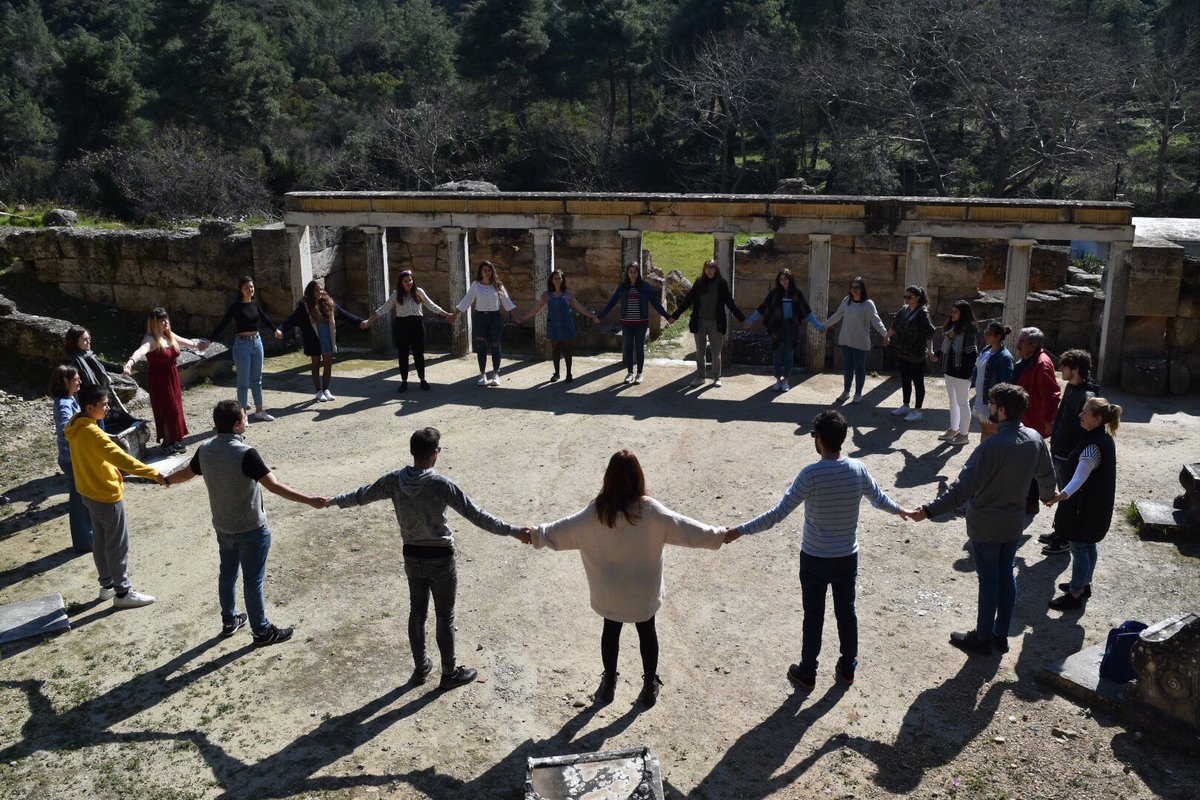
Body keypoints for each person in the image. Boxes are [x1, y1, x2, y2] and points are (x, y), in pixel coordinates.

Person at [522, 449, 725, 707]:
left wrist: (535, 535)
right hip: (643, 593)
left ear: (608, 479)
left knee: (610, 631)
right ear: (638, 477)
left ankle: (609, 683)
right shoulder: (651, 511)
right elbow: (686, 528)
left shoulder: (596, 511)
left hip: (609, 593)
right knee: (647, 632)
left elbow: (562, 528)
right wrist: (719, 535)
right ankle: (649, 685)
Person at [330, 427, 525, 690]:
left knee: (417, 613)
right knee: (445, 616)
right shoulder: (440, 484)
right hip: (440, 557)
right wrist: (513, 531)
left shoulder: (394, 480)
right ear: (435, 454)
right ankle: (449, 672)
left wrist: (332, 501)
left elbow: (362, 494)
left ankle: (421, 667)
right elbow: (477, 515)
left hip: (412, 554)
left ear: (412, 452)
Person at [724, 410, 905, 690]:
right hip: (847, 557)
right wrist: (904, 511)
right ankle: (848, 667)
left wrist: (739, 530)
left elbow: (777, 514)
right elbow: (880, 501)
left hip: (815, 559)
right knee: (847, 611)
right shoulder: (859, 470)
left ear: (819, 439)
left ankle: (808, 671)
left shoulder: (811, 474)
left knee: (814, 615)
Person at [906, 383, 1056, 655]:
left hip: (985, 525)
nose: (989, 409)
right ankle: (1001, 634)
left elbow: (963, 489)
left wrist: (928, 511)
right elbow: (1046, 474)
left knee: (989, 580)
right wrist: (1048, 496)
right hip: (1014, 523)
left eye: (992, 404)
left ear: (1003, 409)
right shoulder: (1035, 439)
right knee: (1005, 575)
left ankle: (983, 637)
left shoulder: (991, 445)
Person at [166, 400, 326, 644]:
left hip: (223, 527)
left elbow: (185, 474)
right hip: (252, 529)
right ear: (237, 424)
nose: (247, 420)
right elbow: (275, 486)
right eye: (244, 417)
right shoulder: (245, 453)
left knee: (227, 574)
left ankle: (229, 620)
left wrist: (166, 480)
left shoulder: (205, 449)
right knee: (253, 581)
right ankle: (261, 631)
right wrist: (310, 500)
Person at [64, 386, 167, 608]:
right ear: (89, 407)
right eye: (104, 404)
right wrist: (153, 473)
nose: (108, 407)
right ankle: (123, 592)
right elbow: (121, 458)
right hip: (105, 493)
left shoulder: (75, 425)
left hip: (88, 492)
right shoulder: (94, 433)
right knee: (118, 544)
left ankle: (107, 586)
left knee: (100, 541)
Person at [1044, 397, 1121, 610]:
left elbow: (1079, 478)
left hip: (1083, 511)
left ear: (1097, 419)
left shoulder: (1092, 448)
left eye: (1085, 412)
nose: (1080, 415)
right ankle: (1085, 583)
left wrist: (1061, 496)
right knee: (1088, 547)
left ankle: (1075, 594)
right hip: (1095, 509)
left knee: (1079, 550)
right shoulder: (1103, 439)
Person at [1038, 349, 1101, 556]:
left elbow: (1085, 430)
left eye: (1064, 366)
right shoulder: (1072, 388)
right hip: (1060, 451)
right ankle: (1060, 531)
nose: (1060, 369)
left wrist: (1073, 454)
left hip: (1069, 456)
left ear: (1075, 369)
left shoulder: (1087, 396)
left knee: (1068, 498)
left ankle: (1065, 539)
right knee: (1063, 496)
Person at [123, 308, 208, 454]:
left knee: (176, 409)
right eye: (161, 320)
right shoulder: (151, 339)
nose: (165, 322)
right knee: (168, 410)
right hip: (160, 380)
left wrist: (198, 345)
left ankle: (174, 441)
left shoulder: (168, 336)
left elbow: (185, 342)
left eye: (166, 319)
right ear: (153, 324)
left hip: (172, 377)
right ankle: (167, 443)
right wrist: (130, 363)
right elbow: (140, 351)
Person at [362, 269, 452, 392]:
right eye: (405, 281)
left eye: (410, 280)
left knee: (418, 354)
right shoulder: (396, 295)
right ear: (401, 283)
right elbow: (384, 308)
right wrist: (369, 320)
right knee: (403, 355)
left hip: (417, 325)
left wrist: (446, 314)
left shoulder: (419, 292)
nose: (409, 282)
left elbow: (431, 305)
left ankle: (422, 380)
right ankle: (404, 381)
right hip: (402, 326)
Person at [207, 276, 283, 422]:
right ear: (241, 290)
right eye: (247, 287)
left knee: (257, 379)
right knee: (243, 382)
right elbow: (223, 323)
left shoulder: (254, 303)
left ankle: (260, 411)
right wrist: (210, 339)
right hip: (242, 345)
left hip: (257, 343)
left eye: (252, 287)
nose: (250, 289)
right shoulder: (236, 307)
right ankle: (242, 416)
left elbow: (264, 317)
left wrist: (275, 330)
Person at [282, 280, 365, 402]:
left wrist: (360, 322)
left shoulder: (328, 303)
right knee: (315, 365)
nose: (319, 292)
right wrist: (281, 330)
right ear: (310, 292)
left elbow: (344, 314)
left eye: (321, 289)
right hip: (313, 339)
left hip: (327, 339)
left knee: (328, 364)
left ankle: (326, 389)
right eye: (316, 290)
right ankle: (318, 391)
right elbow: (292, 319)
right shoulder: (304, 306)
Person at [743, 268, 824, 392]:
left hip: (791, 328)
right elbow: (762, 308)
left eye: (786, 279)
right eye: (781, 279)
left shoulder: (797, 294)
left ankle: (786, 380)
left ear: (790, 279)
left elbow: (807, 312)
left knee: (789, 354)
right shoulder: (774, 293)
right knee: (776, 354)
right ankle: (777, 380)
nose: (783, 281)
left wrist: (819, 326)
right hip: (776, 327)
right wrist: (750, 320)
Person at [671, 259, 746, 389]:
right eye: (707, 268)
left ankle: (717, 377)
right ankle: (701, 377)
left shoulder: (721, 284)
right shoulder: (699, 282)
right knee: (700, 352)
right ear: (704, 270)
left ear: (716, 269)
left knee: (716, 352)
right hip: (699, 321)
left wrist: (742, 319)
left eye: (712, 268)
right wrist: (675, 316)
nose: (709, 270)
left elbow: (730, 303)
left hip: (716, 323)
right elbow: (688, 300)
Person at [598, 262, 672, 385]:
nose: (633, 274)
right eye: (630, 272)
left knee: (639, 347)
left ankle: (639, 373)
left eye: (635, 272)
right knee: (628, 347)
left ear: (639, 273)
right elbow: (612, 302)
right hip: (627, 323)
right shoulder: (622, 287)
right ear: (627, 273)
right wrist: (600, 316)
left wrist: (667, 316)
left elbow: (655, 303)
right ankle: (630, 373)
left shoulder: (645, 287)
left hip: (640, 323)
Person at [519, 269, 599, 383]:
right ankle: (556, 373)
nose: (557, 280)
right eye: (555, 278)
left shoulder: (568, 294)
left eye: (559, 278)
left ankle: (569, 373)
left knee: (567, 349)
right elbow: (536, 309)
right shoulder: (546, 295)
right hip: (553, 325)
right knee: (555, 349)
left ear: (563, 280)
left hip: (566, 325)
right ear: (551, 280)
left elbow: (580, 308)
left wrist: (592, 316)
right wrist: (524, 317)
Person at [1014, 327, 1061, 514]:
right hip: (1024, 417)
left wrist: (1049, 420)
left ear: (1034, 345)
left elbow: (1052, 393)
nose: (1018, 345)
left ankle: (1031, 502)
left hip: (1033, 421)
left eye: (1022, 342)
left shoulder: (1042, 364)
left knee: (1031, 463)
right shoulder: (1028, 360)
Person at [451, 261, 520, 386]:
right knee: (481, 345)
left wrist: (517, 317)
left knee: (495, 345)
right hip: (480, 317)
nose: (487, 273)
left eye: (489, 270)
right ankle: (482, 374)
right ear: (481, 272)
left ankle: (495, 374)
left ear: (492, 271)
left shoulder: (498, 285)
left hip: (495, 317)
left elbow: (507, 302)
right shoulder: (476, 285)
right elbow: (467, 300)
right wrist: (455, 314)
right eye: (485, 270)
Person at [49, 365, 93, 552]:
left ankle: (88, 536)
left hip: (76, 456)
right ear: (66, 382)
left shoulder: (69, 399)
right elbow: (66, 429)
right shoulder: (63, 405)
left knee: (83, 498)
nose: (80, 382)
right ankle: (84, 541)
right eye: (76, 379)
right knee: (78, 500)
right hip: (72, 458)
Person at [824, 277, 888, 404]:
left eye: (856, 287)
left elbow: (876, 321)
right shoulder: (847, 300)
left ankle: (858, 393)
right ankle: (846, 391)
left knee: (859, 368)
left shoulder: (868, 304)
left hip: (860, 341)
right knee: (848, 367)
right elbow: (838, 315)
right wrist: (825, 325)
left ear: (862, 289)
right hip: (846, 339)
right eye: (852, 287)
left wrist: (885, 334)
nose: (853, 290)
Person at [63, 326, 137, 432]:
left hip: (97, 401)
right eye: (84, 340)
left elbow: (102, 364)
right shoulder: (70, 362)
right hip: (86, 405)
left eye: (89, 339)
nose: (88, 342)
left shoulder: (88, 357)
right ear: (74, 342)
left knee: (101, 429)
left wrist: (122, 369)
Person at [883, 285, 936, 422]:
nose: (906, 299)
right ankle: (906, 405)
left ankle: (918, 410)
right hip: (903, 352)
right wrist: (887, 336)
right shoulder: (904, 309)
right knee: (905, 379)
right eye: (905, 296)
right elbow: (895, 325)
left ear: (917, 298)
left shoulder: (922, 313)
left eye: (909, 297)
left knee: (918, 382)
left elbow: (929, 333)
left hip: (916, 354)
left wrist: (930, 350)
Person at [932, 300, 979, 445]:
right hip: (949, 370)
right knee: (953, 401)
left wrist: (969, 374)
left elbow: (972, 354)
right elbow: (947, 347)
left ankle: (964, 435)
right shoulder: (952, 328)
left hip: (962, 373)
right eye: (952, 311)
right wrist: (937, 354)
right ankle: (953, 429)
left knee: (963, 403)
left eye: (955, 312)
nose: (952, 314)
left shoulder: (968, 330)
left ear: (963, 314)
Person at [971, 322, 1014, 442]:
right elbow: (978, 367)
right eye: (985, 333)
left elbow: (1006, 383)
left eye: (988, 334)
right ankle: (982, 455)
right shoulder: (987, 349)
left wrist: (998, 404)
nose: (985, 336)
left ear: (998, 337)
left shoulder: (1005, 357)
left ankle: (990, 458)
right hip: (981, 399)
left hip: (992, 403)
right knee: (984, 429)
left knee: (992, 433)